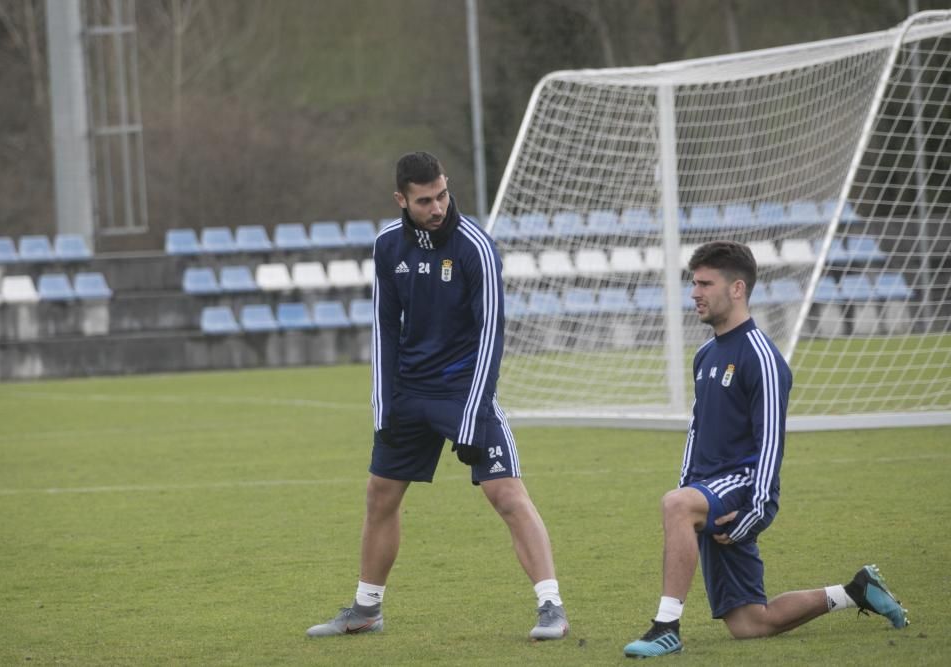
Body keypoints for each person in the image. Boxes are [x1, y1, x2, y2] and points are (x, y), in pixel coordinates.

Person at [306, 151, 569, 640]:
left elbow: (493, 331)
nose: (437, 207)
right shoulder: (387, 246)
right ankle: (367, 610)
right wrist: (383, 404)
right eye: (424, 200)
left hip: (464, 390)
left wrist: (471, 416)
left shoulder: (476, 248)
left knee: (506, 494)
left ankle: (551, 606)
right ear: (401, 200)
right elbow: (384, 326)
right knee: (379, 496)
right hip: (409, 392)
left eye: (442, 194)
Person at [623, 240, 908, 658]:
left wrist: (758, 509)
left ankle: (666, 627)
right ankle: (854, 591)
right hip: (706, 490)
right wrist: (689, 485)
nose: (694, 293)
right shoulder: (705, 355)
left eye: (704, 283)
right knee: (750, 624)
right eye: (693, 283)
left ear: (737, 289)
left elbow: (772, 443)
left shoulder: (762, 357)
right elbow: (696, 431)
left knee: (675, 505)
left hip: (741, 488)